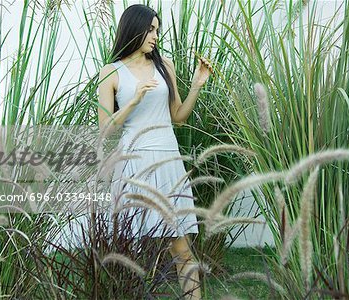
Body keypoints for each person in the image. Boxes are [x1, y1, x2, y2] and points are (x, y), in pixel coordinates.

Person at [97, 4, 212, 299]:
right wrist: (133, 101)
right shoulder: (111, 73)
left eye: (157, 30)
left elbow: (178, 115)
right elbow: (105, 129)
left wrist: (197, 84)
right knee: (131, 250)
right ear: (134, 28)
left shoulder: (165, 65)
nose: (155, 36)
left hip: (167, 159)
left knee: (181, 248)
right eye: (150, 29)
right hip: (135, 164)